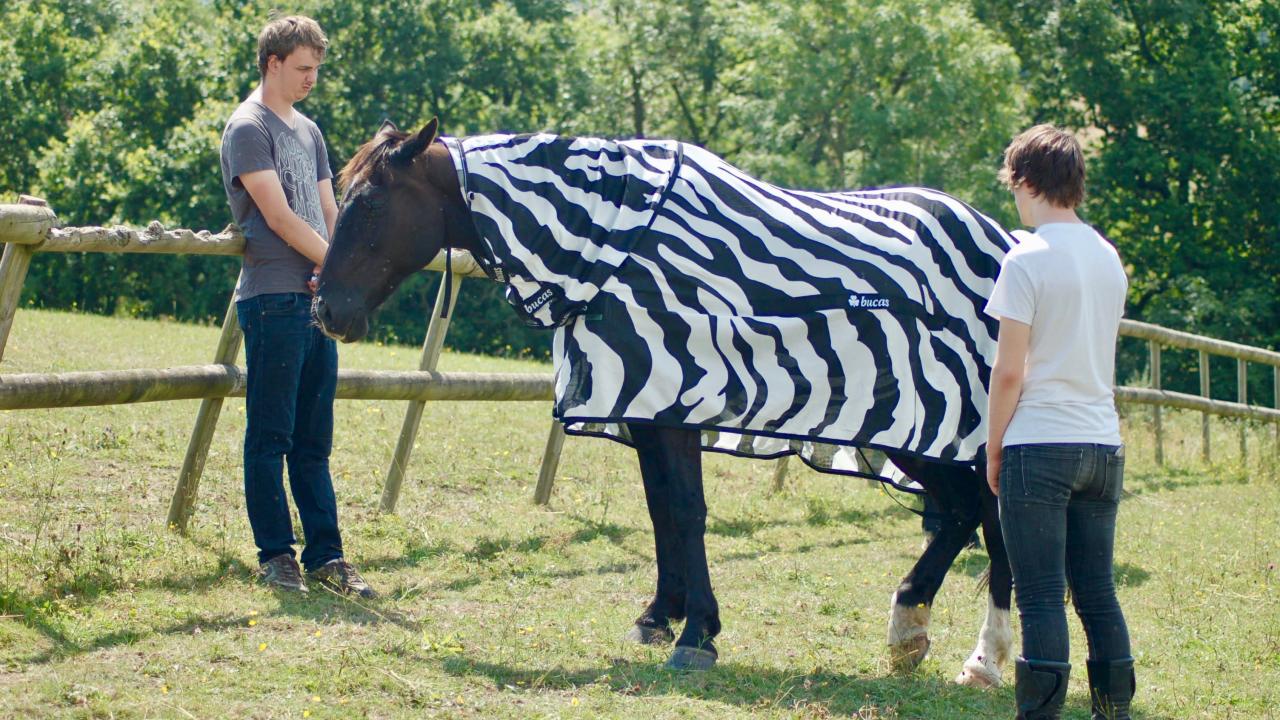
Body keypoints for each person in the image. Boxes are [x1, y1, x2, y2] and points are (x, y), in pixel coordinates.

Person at [219, 15, 374, 598]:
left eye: (317, 69)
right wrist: (331, 267)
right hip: (274, 297)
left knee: (314, 440)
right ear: (273, 63)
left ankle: (328, 557)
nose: (312, 78)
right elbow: (279, 217)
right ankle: (277, 556)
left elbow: (328, 211)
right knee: (271, 435)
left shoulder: (309, 131)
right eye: (303, 68)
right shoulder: (247, 127)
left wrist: (338, 273)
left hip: (315, 301)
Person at [984, 125, 1133, 719]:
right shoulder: (1107, 256)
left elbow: (1009, 373)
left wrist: (994, 448)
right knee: (1097, 592)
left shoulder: (1027, 257)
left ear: (1025, 181)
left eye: (1012, 185)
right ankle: (1112, 712)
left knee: (1041, 596)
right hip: (1103, 444)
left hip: (1039, 444)